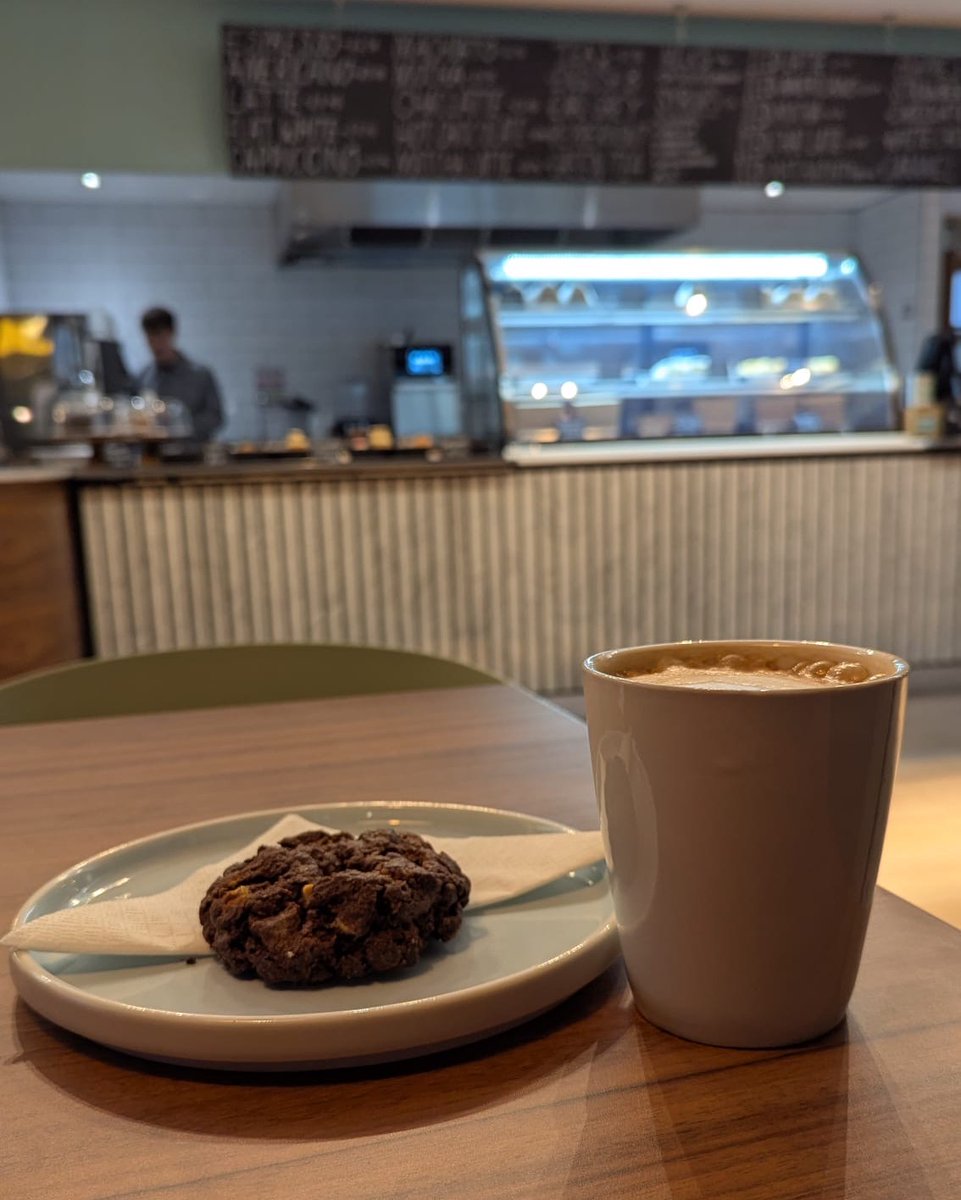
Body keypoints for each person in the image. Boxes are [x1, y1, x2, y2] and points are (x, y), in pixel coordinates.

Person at [136, 307, 224, 442]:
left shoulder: (200, 375)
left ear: (172, 334)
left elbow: (215, 417)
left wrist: (178, 424)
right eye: (150, 337)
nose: (156, 344)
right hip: (156, 457)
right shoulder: (143, 378)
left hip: (193, 455)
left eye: (160, 335)